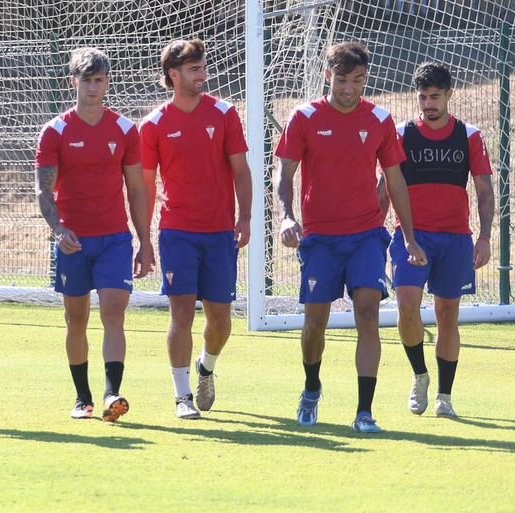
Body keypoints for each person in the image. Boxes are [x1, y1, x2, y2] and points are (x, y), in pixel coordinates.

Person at [275, 40, 426, 433]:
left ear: (365, 78)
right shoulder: (303, 116)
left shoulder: (379, 119)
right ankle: (311, 388)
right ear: (329, 75)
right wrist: (287, 216)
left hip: (366, 236)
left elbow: (395, 181)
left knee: (368, 315)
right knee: (314, 324)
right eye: (341, 79)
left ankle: (364, 412)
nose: (348, 88)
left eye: (357, 80)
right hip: (320, 239)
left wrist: (409, 238)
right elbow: (284, 174)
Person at [35, 48, 153, 422]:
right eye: (86, 80)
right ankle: (82, 397)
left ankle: (111, 394)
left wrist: (145, 241)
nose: (93, 87)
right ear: (74, 82)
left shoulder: (124, 129)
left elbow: (137, 189)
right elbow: (43, 190)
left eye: (99, 80)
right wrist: (58, 229)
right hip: (74, 240)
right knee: (76, 320)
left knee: (114, 313)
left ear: (107, 83)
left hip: (114, 238)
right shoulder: (55, 131)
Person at [138, 39, 252, 420]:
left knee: (220, 319)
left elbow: (241, 169)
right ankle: (182, 396)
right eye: (194, 69)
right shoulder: (152, 124)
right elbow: (146, 185)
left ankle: (206, 367)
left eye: (203, 68)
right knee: (181, 313)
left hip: (220, 232)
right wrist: (144, 239)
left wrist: (247, 217)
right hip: (176, 232)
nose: (202, 75)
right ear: (174, 74)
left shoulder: (224, 113)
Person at [381, 61, 493, 419]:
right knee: (407, 306)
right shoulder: (400, 134)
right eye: (422, 97)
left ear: (449, 95)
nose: (428, 104)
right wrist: (373, 229)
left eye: (435, 97)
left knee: (447, 315)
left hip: (456, 238)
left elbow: (485, 191)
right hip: (411, 236)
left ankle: (445, 396)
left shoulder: (470, 136)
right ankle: (420, 376)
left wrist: (486, 237)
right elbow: (384, 188)